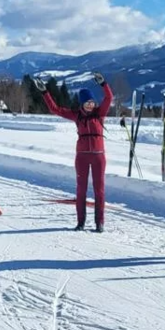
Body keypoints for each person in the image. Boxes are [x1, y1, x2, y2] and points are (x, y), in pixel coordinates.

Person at [34, 74, 113, 232]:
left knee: (99, 190)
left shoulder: (100, 114)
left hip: (98, 156)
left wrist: (104, 83)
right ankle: (81, 222)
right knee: (81, 189)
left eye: (92, 102)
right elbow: (55, 109)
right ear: (82, 104)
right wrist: (45, 92)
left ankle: (100, 223)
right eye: (87, 103)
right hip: (82, 157)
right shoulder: (77, 115)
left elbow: (109, 97)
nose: (90, 105)